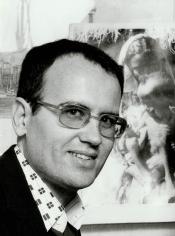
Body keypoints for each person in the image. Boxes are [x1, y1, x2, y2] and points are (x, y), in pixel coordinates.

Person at [0, 39, 127, 235]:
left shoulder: (61, 220)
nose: (94, 138)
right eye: (74, 112)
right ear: (22, 118)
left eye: (108, 120)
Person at [115, 34, 175, 203]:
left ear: (159, 62)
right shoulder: (126, 102)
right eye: (138, 68)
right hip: (141, 176)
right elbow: (122, 143)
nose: (144, 72)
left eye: (149, 65)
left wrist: (171, 146)